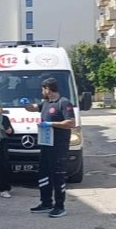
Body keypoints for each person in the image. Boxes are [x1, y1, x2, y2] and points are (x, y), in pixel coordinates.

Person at [24, 77, 76, 218]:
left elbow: (71, 123)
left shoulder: (63, 103)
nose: (42, 92)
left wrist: (51, 124)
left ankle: (60, 206)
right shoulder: (46, 103)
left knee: (58, 176)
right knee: (43, 174)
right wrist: (25, 104)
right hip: (46, 145)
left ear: (47, 89)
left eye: (43, 89)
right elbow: (32, 108)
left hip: (58, 147)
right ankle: (46, 203)